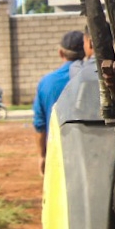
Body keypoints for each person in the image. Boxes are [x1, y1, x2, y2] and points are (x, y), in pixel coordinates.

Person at [33, 29, 86, 170]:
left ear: (61, 53)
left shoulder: (46, 82)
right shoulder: (93, 78)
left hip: (58, 154)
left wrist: (42, 156)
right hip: (90, 153)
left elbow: (40, 125)